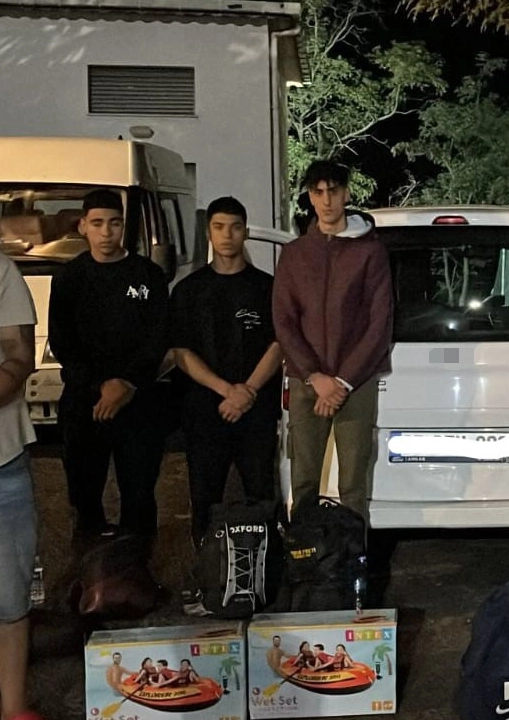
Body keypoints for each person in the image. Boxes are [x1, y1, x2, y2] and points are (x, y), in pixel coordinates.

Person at [273, 160, 392, 518]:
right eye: (318, 192)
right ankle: (305, 551)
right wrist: (315, 375)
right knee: (303, 483)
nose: (326, 200)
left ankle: (351, 553)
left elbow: (380, 323)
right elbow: (284, 320)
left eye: (334, 191)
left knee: (353, 486)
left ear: (347, 194)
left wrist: (342, 381)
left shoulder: (370, 251)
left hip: (356, 383)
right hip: (306, 381)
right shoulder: (294, 254)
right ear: (310, 197)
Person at [48, 189, 169, 539]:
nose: (106, 232)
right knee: (84, 494)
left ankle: (138, 562)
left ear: (124, 227)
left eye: (114, 223)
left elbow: (159, 336)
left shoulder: (148, 274)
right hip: (85, 402)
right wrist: (100, 386)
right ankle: (88, 559)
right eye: (97, 223)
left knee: (139, 493)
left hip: (138, 401)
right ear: (83, 226)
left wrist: (128, 383)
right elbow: (63, 342)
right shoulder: (69, 278)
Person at [169, 196, 282, 542]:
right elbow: (181, 352)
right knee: (205, 499)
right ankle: (207, 566)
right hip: (205, 411)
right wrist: (226, 391)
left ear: (245, 232)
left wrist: (248, 391)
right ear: (209, 232)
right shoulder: (188, 291)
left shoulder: (268, 288)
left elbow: (279, 344)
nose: (227, 235)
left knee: (262, 496)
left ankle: (264, 567)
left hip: (257, 410)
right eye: (219, 227)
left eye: (235, 227)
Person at [0, 251, 45, 720]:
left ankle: (13, 707)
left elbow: (18, 354)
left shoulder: (2, 271)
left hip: (3, 458)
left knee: (10, 594)